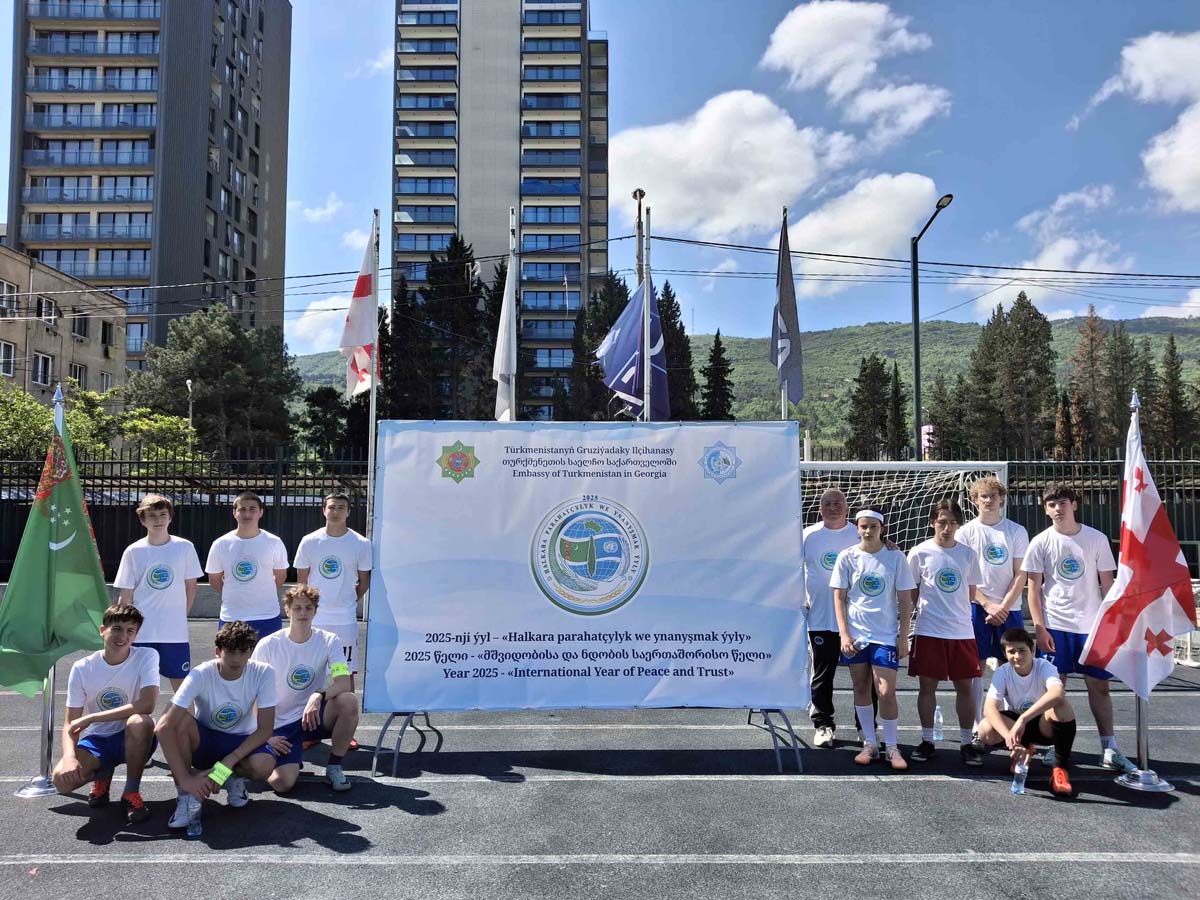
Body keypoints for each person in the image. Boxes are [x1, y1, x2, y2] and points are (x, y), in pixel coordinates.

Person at [1022, 483, 1135, 774]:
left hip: (1092, 627)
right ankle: (1055, 748)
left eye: (1062, 502)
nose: (1057, 508)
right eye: (1050, 503)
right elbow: (1033, 590)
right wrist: (1040, 627)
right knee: (1054, 691)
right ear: (1045, 508)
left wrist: (1112, 624)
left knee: (1099, 686)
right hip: (1055, 627)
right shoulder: (1040, 542)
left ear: (1074, 504)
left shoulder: (1096, 539)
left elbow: (1108, 585)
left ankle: (1109, 747)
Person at [155, 621, 277, 837]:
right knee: (179, 720)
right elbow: (163, 728)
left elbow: (265, 729)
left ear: (251, 651)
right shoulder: (200, 674)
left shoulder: (264, 672)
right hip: (206, 743)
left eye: (243, 651)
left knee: (264, 764)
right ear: (218, 651)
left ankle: (231, 779)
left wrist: (225, 766)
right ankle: (185, 796)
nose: (237, 659)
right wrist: (185, 779)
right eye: (230, 652)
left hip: (239, 744)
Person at [52, 604, 159, 824]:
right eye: (117, 629)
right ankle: (103, 775)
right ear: (103, 630)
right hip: (98, 740)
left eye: (131, 631)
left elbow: (147, 704)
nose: (123, 636)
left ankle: (131, 792)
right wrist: (70, 757)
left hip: (134, 737)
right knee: (61, 781)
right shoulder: (82, 667)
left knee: (140, 721)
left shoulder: (147, 656)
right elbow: (70, 724)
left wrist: (92, 717)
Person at [831, 508, 917, 771]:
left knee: (886, 690)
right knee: (860, 686)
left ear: (882, 528)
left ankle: (891, 745)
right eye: (863, 526)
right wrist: (844, 633)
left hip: (885, 636)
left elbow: (905, 600)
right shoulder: (847, 557)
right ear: (857, 527)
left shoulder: (895, 557)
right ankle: (870, 743)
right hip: (856, 635)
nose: (868, 531)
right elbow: (839, 597)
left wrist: (904, 637)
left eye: (873, 526)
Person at [252, 585, 359, 793]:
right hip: (280, 722)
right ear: (287, 610)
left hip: (313, 717)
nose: (303, 613)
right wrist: (264, 735)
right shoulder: (268, 645)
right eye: (297, 607)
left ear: (315, 611)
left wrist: (318, 695)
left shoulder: (329, 641)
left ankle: (334, 767)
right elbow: (251, 693)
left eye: (308, 608)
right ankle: (272, 758)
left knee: (348, 701)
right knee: (283, 784)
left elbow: (344, 682)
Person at [907, 499, 984, 766]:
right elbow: (912, 592)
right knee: (927, 687)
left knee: (966, 687)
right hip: (929, 630)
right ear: (932, 523)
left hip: (962, 632)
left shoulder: (968, 554)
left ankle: (966, 743)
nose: (947, 527)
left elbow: (971, 592)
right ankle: (928, 741)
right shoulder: (919, 553)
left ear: (958, 524)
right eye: (942, 522)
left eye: (952, 522)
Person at [957, 475, 1029, 729]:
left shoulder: (1016, 531)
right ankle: (979, 721)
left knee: (1013, 662)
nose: (988, 501)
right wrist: (987, 604)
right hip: (978, 608)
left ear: (1002, 500)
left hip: (1010, 609)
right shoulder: (965, 533)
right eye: (983, 496)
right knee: (975, 665)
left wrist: (1004, 606)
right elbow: (964, 577)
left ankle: (1014, 718)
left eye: (993, 496)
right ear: (975, 500)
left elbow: (1021, 573)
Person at [114, 493, 204, 690]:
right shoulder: (133, 551)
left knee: (182, 688)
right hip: (141, 634)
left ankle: (188, 721)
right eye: (152, 515)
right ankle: (135, 722)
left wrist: (181, 615)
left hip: (174, 634)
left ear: (170, 517)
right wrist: (126, 628)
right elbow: (126, 595)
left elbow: (191, 586)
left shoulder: (184, 547)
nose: (158, 520)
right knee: (136, 687)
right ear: (143, 519)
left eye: (163, 514)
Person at [976, 627, 1076, 798]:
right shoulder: (1003, 672)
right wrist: (1010, 738)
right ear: (1005, 654)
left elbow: (1057, 693)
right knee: (985, 729)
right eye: (1011, 651)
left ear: (1032, 649)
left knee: (1061, 706)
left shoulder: (1045, 666)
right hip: (1017, 729)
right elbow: (989, 708)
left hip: (1043, 725)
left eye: (1022, 650)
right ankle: (1021, 750)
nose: (1017, 656)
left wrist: (1024, 718)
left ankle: (1060, 768)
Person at [294, 492, 371, 689]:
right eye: (331, 507)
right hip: (315, 619)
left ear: (348, 512)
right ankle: (307, 716)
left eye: (341, 508)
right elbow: (302, 582)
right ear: (324, 510)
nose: (335, 512)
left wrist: (347, 601)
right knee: (310, 670)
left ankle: (345, 715)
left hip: (344, 620)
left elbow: (364, 582)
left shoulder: (360, 544)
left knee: (342, 672)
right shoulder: (309, 541)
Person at [801, 488, 859, 748]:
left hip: (856, 620)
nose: (833, 507)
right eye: (827, 503)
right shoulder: (807, 536)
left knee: (863, 677)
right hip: (820, 617)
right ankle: (823, 724)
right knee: (822, 675)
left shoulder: (859, 533)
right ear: (819, 509)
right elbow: (792, 570)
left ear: (847, 508)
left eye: (838, 503)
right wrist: (800, 596)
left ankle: (866, 728)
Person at [205, 492, 289, 638]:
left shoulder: (273, 542)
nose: (247, 514)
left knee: (268, 660)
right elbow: (214, 580)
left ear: (260, 512)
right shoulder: (221, 544)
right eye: (242, 509)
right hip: (232, 616)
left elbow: (280, 576)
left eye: (252, 509)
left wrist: (260, 591)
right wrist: (236, 592)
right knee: (230, 661)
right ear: (234, 513)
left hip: (267, 616)